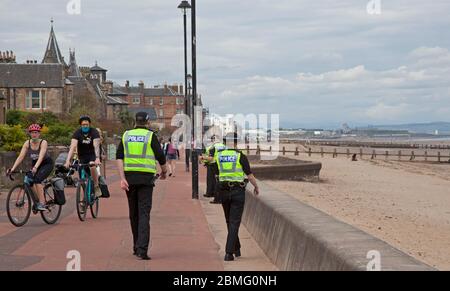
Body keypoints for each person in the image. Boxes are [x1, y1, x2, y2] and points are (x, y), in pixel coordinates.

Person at [116, 112, 168, 260]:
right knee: (144, 213)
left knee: (134, 213)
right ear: (147, 122)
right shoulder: (150, 136)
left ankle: (135, 246)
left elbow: (119, 157)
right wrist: (164, 172)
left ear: (135, 121)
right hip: (146, 179)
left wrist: (122, 178)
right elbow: (160, 156)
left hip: (129, 178)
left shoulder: (126, 135)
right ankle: (142, 249)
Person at [201, 143, 259, 261]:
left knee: (229, 220)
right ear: (236, 143)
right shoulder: (240, 155)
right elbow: (249, 174)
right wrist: (256, 186)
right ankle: (228, 253)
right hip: (238, 191)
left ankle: (236, 248)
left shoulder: (219, 156)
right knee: (234, 222)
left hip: (224, 191)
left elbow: (216, 172)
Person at [7, 124, 54, 211]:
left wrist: (35, 167)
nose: (34, 134)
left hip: (46, 164)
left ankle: (42, 203)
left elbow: (41, 156)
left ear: (39, 134)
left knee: (37, 180)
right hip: (35, 164)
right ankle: (37, 201)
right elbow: (20, 157)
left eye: (36, 132)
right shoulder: (27, 143)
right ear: (30, 134)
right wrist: (12, 169)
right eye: (32, 133)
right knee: (29, 180)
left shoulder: (43, 142)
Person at [64, 116, 102, 197]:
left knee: (92, 165)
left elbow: (96, 146)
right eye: (83, 125)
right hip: (82, 156)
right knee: (81, 177)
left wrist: (97, 158)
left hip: (93, 155)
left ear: (89, 124)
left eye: (87, 124)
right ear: (81, 125)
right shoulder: (77, 133)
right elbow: (73, 147)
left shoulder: (94, 132)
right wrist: (68, 160)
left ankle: (96, 186)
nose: (85, 126)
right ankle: (85, 197)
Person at [203, 136, 227, 204]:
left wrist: (203, 158)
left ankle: (212, 194)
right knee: (219, 180)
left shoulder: (213, 147)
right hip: (223, 164)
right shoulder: (224, 146)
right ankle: (219, 196)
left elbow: (211, 158)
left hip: (213, 164)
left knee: (212, 180)